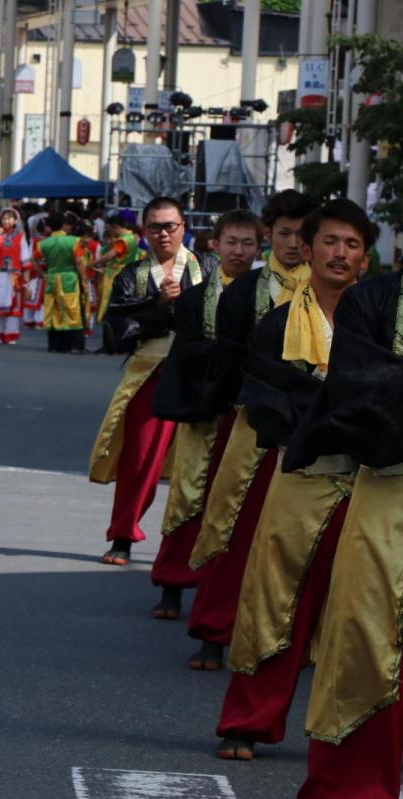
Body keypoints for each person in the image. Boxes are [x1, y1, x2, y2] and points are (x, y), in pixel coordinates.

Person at [211, 199, 367, 764]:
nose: (338, 253)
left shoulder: (379, 317)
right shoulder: (278, 318)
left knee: (369, 614)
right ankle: (247, 722)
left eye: (352, 245)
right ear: (309, 245)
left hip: (373, 484)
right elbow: (263, 395)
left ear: (366, 258)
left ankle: (350, 737)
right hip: (302, 475)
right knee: (274, 601)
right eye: (329, 241)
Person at [275, 203, 403, 797]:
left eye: (352, 243)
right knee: (362, 640)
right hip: (386, 488)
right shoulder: (372, 303)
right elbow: (362, 393)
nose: (340, 255)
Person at [185, 190, 316, 671]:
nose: (294, 243)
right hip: (250, 426)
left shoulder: (337, 296)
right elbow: (227, 359)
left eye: (305, 234)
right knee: (232, 525)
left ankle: (295, 638)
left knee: (301, 539)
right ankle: (214, 631)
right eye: (284, 233)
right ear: (269, 236)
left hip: (309, 434)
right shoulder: (246, 290)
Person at [146, 210, 261, 622]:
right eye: (231, 241)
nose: (239, 250)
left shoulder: (269, 295)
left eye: (248, 243)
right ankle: (173, 585)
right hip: (203, 408)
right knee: (187, 496)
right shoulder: (195, 296)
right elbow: (188, 352)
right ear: (215, 243)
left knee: (237, 505)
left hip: (246, 415)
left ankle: (224, 595)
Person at [90, 197, 210, 565]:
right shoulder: (132, 274)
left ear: (183, 227)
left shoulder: (208, 268)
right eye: (156, 227)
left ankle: (196, 548)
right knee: (139, 460)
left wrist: (183, 304)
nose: (164, 234)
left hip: (200, 373)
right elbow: (116, 329)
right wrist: (159, 306)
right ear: (144, 232)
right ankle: (123, 535)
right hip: (152, 371)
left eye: (170, 226)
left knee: (203, 465)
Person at [33, 213, 88, 353]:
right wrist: (84, 280)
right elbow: (79, 262)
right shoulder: (74, 241)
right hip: (69, 277)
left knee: (53, 310)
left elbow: (33, 260)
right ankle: (75, 345)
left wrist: (42, 273)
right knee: (72, 310)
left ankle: (54, 345)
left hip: (51, 277)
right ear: (63, 225)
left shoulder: (43, 243)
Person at [0, 208, 29, 345]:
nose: (6, 221)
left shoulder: (21, 237)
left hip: (14, 276)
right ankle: (0, 333)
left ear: (15, 220)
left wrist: (26, 280)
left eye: (9, 218)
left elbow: (25, 259)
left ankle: (11, 334)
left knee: (13, 304)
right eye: (4, 218)